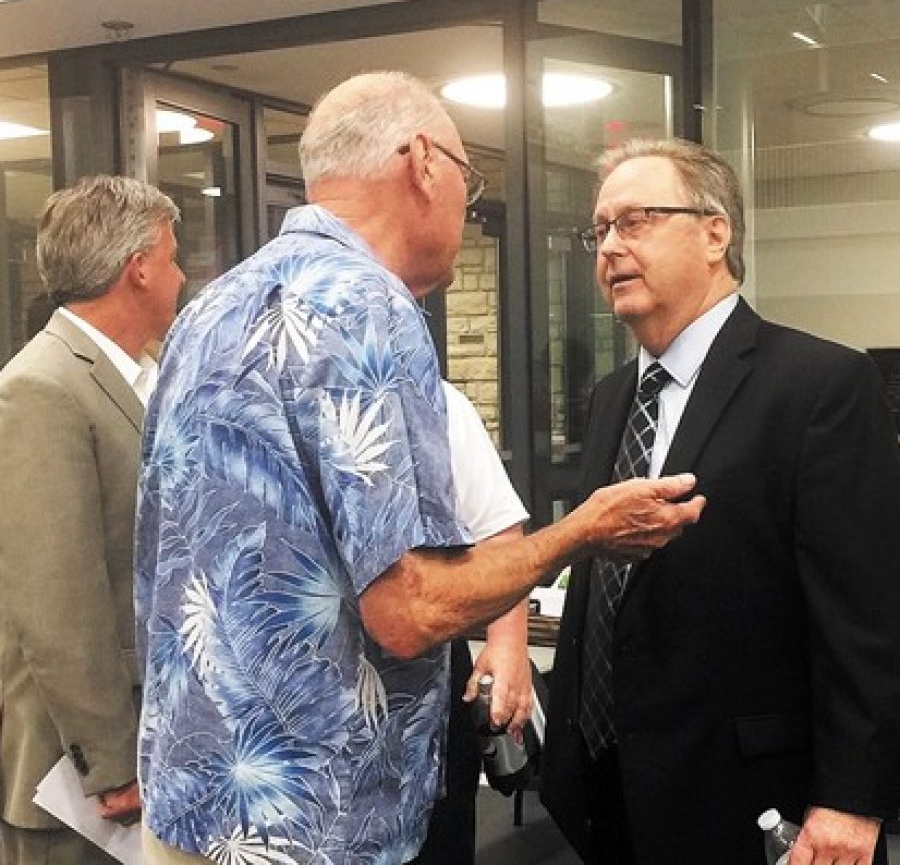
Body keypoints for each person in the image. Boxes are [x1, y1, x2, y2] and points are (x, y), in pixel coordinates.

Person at [135, 72, 704, 865]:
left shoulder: (210, 308)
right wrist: (581, 532)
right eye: (469, 182)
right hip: (315, 826)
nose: (466, 208)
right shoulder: (371, 307)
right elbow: (410, 611)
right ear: (423, 162)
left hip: (190, 806)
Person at [540, 137, 900, 865]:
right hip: (608, 792)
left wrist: (852, 800)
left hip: (750, 799)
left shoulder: (818, 386)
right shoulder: (613, 397)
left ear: (715, 233)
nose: (609, 246)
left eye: (636, 220)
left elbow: (867, 617)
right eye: (600, 229)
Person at [0, 175, 184, 864]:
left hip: (153, 746)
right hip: (77, 784)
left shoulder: (146, 372)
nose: (181, 275)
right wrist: (109, 760)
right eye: (171, 257)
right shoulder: (40, 387)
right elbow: (55, 601)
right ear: (137, 268)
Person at [413, 380, 530, 865]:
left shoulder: (432, 398)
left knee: (435, 842)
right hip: (281, 722)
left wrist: (508, 644)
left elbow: (498, 535)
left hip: (424, 691)